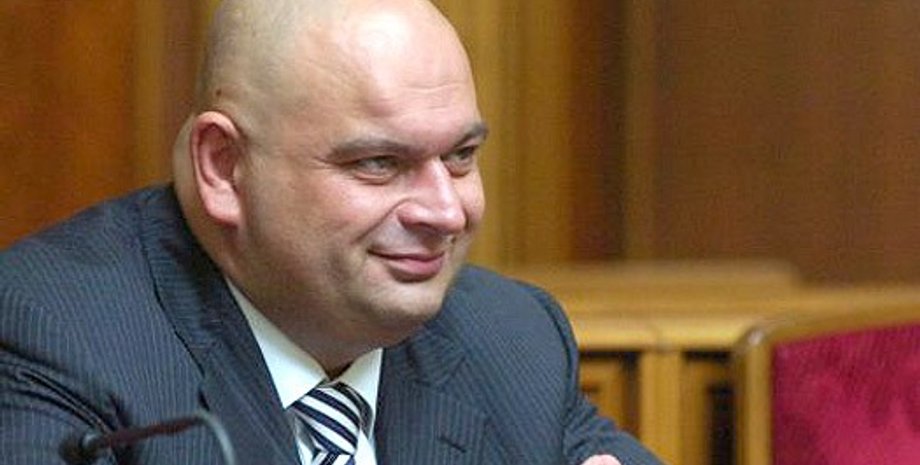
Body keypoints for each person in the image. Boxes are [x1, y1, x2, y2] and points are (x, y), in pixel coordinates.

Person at [0, 1, 664, 464]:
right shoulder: (52, 335)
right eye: (380, 163)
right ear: (225, 166)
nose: (446, 211)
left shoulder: (508, 338)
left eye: (461, 156)